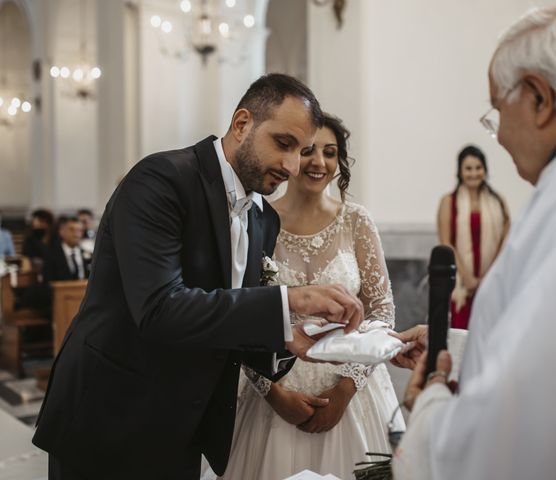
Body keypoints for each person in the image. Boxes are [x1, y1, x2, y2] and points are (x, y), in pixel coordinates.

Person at [32, 74, 365, 480]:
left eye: (303, 151)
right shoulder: (161, 180)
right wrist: (288, 300)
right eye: (283, 144)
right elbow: (159, 309)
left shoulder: (262, 218)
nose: (293, 166)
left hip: (182, 426)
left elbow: (223, 316)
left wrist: (283, 335)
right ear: (242, 124)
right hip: (110, 415)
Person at [391, 6, 556, 480]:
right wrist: (458, 349)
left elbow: (519, 430)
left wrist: (432, 409)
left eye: (497, 112)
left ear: (539, 98)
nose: (499, 135)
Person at [217, 114, 405, 480]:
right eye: (308, 151)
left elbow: (382, 310)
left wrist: (346, 389)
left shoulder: (356, 221)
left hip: (352, 396)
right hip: (275, 398)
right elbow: (239, 316)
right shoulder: (255, 221)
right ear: (289, 157)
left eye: (330, 153)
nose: (319, 162)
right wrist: (272, 392)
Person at [437, 146, 509, 329]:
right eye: (468, 168)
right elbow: (446, 243)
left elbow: (505, 241)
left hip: (491, 281)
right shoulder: (449, 202)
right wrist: (468, 278)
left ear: (485, 170)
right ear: (460, 171)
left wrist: (488, 277)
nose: (474, 173)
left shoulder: (498, 202)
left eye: (478, 168)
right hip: (461, 286)